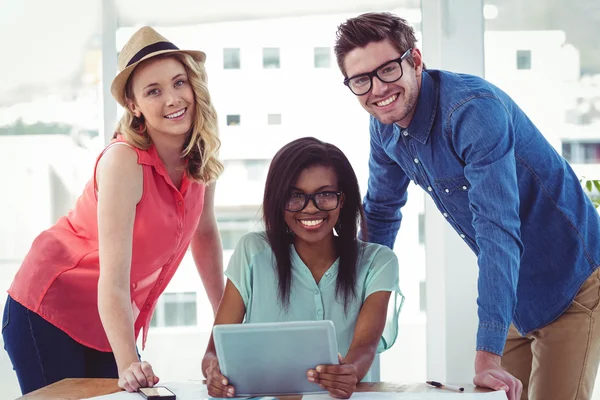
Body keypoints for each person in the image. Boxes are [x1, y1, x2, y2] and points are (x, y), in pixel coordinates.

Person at [334, 11, 600, 400]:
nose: (377, 89)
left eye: (388, 69)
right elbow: (381, 213)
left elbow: (497, 229)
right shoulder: (384, 126)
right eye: (361, 80)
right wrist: (354, 309)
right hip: (513, 295)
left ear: (416, 60)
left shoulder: (473, 112)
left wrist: (487, 354)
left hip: (571, 282)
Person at [2, 26, 225, 395]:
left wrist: (226, 326)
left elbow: (205, 235)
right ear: (133, 105)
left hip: (106, 319)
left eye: (179, 83)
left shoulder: (200, 159)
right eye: (153, 91)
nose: (172, 99)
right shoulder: (124, 162)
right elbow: (114, 277)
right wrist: (128, 363)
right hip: (48, 309)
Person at [201, 137, 403, 399]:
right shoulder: (252, 251)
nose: (310, 208)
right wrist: (214, 372)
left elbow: (365, 347)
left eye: (325, 195)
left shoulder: (379, 261)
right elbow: (213, 352)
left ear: (343, 200)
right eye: (295, 196)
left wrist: (349, 372)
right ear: (278, 200)